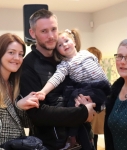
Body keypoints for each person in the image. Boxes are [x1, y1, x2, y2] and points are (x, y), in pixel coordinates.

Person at [19, 9, 96, 150]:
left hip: (84, 137)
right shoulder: (28, 66)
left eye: (54, 29)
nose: (51, 36)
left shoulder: (66, 55)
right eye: (44, 31)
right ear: (32, 33)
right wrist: (82, 113)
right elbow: (38, 114)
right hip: (53, 144)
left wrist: (92, 103)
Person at [35, 29, 110, 150]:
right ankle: (72, 137)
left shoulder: (87, 54)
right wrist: (43, 92)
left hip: (100, 88)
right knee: (72, 102)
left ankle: (75, 136)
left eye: (66, 41)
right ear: (57, 51)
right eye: (59, 45)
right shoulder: (65, 64)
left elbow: (99, 69)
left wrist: (108, 92)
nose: (64, 44)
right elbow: (56, 78)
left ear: (74, 41)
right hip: (84, 89)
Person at [0, 33, 40, 149]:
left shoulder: (15, 85)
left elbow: (26, 124)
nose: (17, 58)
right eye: (11, 52)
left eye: (21, 54)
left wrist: (20, 107)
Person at [87, 46, 106, 150]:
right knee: (92, 134)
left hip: (95, 107)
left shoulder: (97, 71)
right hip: (95, 107)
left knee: (92, 134)